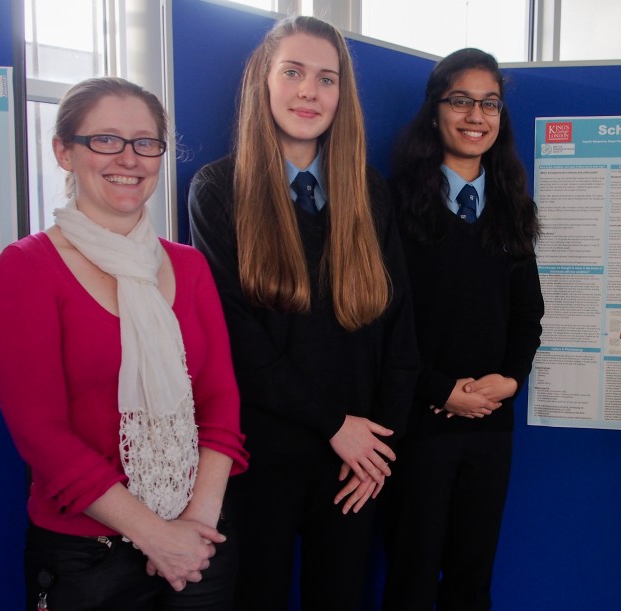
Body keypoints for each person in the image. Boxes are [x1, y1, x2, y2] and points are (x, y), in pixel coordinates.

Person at [0, 77, 248, 610]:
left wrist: (194, 523)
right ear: (63, 151)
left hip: (200, 543)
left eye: (145, 142)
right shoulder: (28, 268)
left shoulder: (189, 267)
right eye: (104, 139)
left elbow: (219, 401)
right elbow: (42, 434)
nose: (128, 158)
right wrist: (154, 534)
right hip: (87, 559)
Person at [187, 15, 418, 611]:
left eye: (326, 78)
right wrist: (334, 425)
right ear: (263, 83)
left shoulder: (368, 191)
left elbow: (399, 327)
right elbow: (238, 339)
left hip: (356, 466)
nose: (309, 92)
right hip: (263, 462)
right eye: (292, 72)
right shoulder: (219, 190)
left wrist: (377, 452)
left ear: (343, 95)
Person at [382, 48, 545, 611]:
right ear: (435, 111)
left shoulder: (511, 207)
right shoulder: (393, 205)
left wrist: (511, 381)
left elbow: (528, 314)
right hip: (417, 427)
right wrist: (439, 391)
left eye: (490, 104)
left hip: (490, 429)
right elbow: (381, 322)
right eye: (461, 100)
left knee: (472, 581)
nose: (477, 115)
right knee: (412, 577)